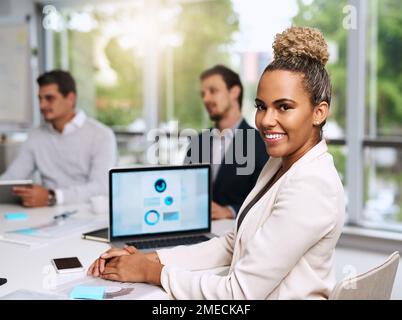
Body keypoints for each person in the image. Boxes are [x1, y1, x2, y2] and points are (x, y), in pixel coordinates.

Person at [87, 26, 345, 299]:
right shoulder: (281, 164)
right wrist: (149, 258)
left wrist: (152, 273)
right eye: (261, 106)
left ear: (319, 112)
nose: (266, 120)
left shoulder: (312, 185)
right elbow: (233, 244)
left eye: (284, 107)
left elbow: (237, 294)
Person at [0, 70, 117, 207]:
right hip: (48, 217)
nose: (42, 105)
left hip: (88, 217)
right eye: (40, 99)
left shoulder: (101, 135)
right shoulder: (36, 136)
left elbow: (101, 186)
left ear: (70, 99)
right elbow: (13, 177)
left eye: (49, 98)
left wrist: (53, 196)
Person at [185, 65, 268, 219]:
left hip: (234, 231)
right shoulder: (198, 142)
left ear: (234, 92)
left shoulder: (261, 143)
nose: (206, 99)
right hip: (195, 226)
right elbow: (186, 189)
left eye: (213, 91)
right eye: (203, 94)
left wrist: (230, 211)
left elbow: (265, 198)